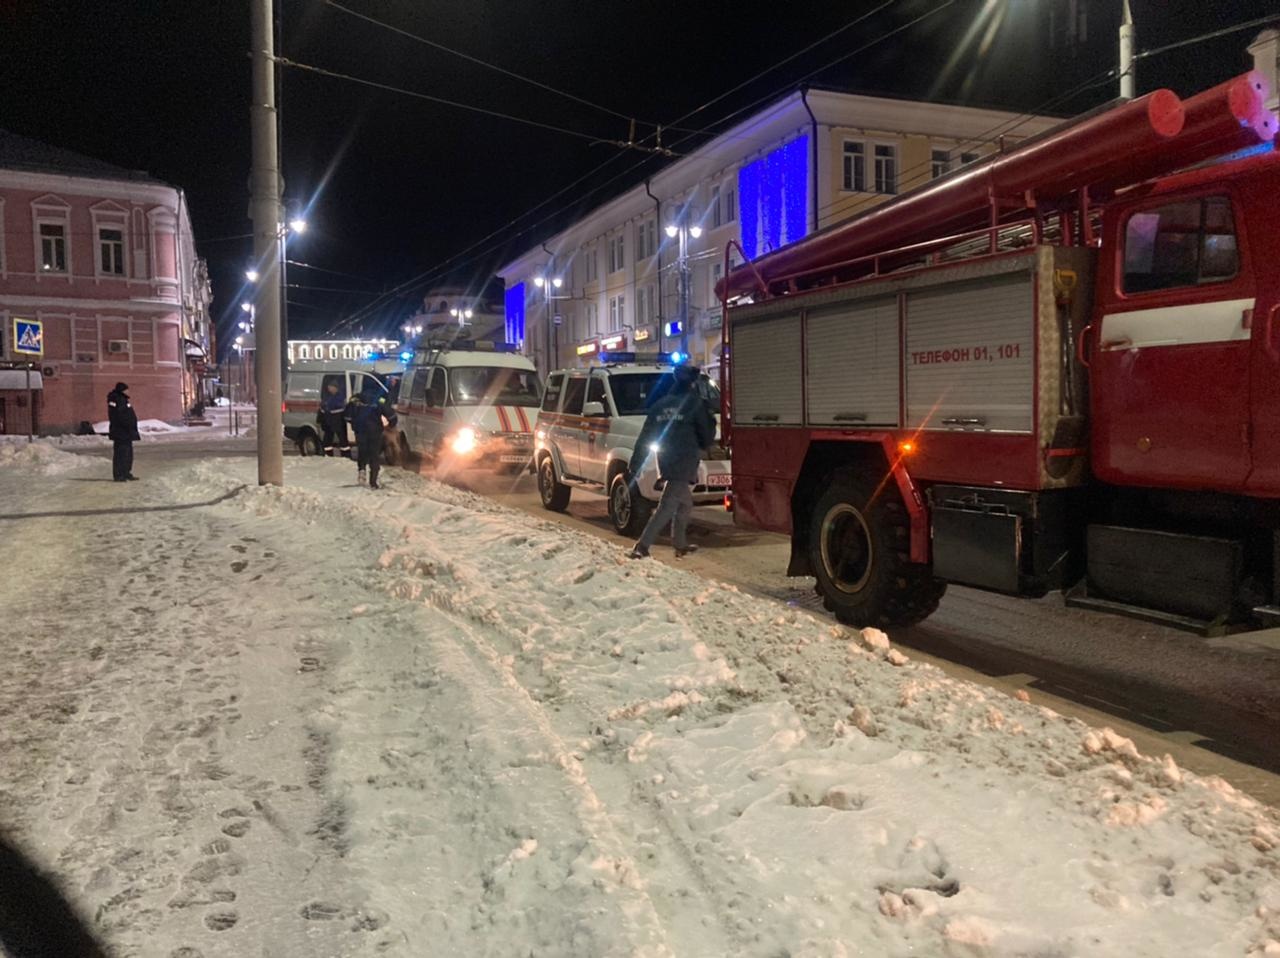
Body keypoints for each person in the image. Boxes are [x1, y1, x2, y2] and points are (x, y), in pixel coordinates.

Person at [628, 365, 714, 559]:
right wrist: (706, 440)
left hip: (666, 460)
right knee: (667, 505)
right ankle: (642, 546)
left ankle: (680, 544)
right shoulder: (694, 403)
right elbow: (707, 434)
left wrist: (636, 462)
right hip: (686, 460)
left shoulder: (660, 404)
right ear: (692, 382)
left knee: (684, 504)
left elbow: (646, 436)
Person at [345, 384, 397, 489]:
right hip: (375, 432)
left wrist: (354, 424)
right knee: (374, 455)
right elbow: (390, 414)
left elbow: (347, 416)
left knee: (362, 452)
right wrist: (391, 425)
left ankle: (362, 472)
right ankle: (373, 482)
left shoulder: (355, 400)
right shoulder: (379, 399)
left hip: (360, 431)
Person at [106, 382, 140, 482]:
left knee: (128, 454)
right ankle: (119, 474)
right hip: (121, 432)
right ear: (122, 390)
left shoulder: (123, 399)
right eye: (127, 389)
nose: (128, 391)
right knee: (121, 454)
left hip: (126, 432)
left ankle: (126, 472)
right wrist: (127, 425)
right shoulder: (117, 400)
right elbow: (119, 415)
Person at [316, 381, 347, 453]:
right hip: (328, 422)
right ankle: (328, 455)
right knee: (327, 441)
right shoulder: (326, 397)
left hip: (338, 421)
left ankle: (346, 456)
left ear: (336, 388)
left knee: (343, 440)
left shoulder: (341, 396)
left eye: (331, 387)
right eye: (328, 387)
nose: (329, 389)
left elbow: (341, 406)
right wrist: (318, 420)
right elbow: (321, 410)